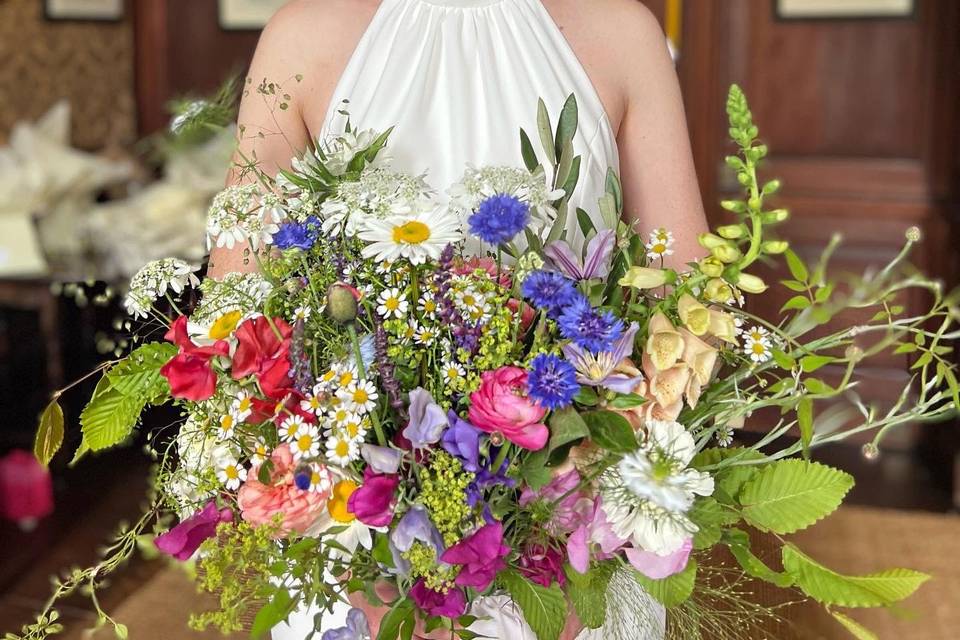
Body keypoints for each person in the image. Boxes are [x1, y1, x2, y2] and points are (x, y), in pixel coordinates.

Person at [210, 1, 708, 638]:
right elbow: (242, 324)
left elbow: (689, 311)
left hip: (571, 553)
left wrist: (585, 530)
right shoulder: (301, 34)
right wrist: (360, 558)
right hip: (354, 551)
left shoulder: (621, 29)